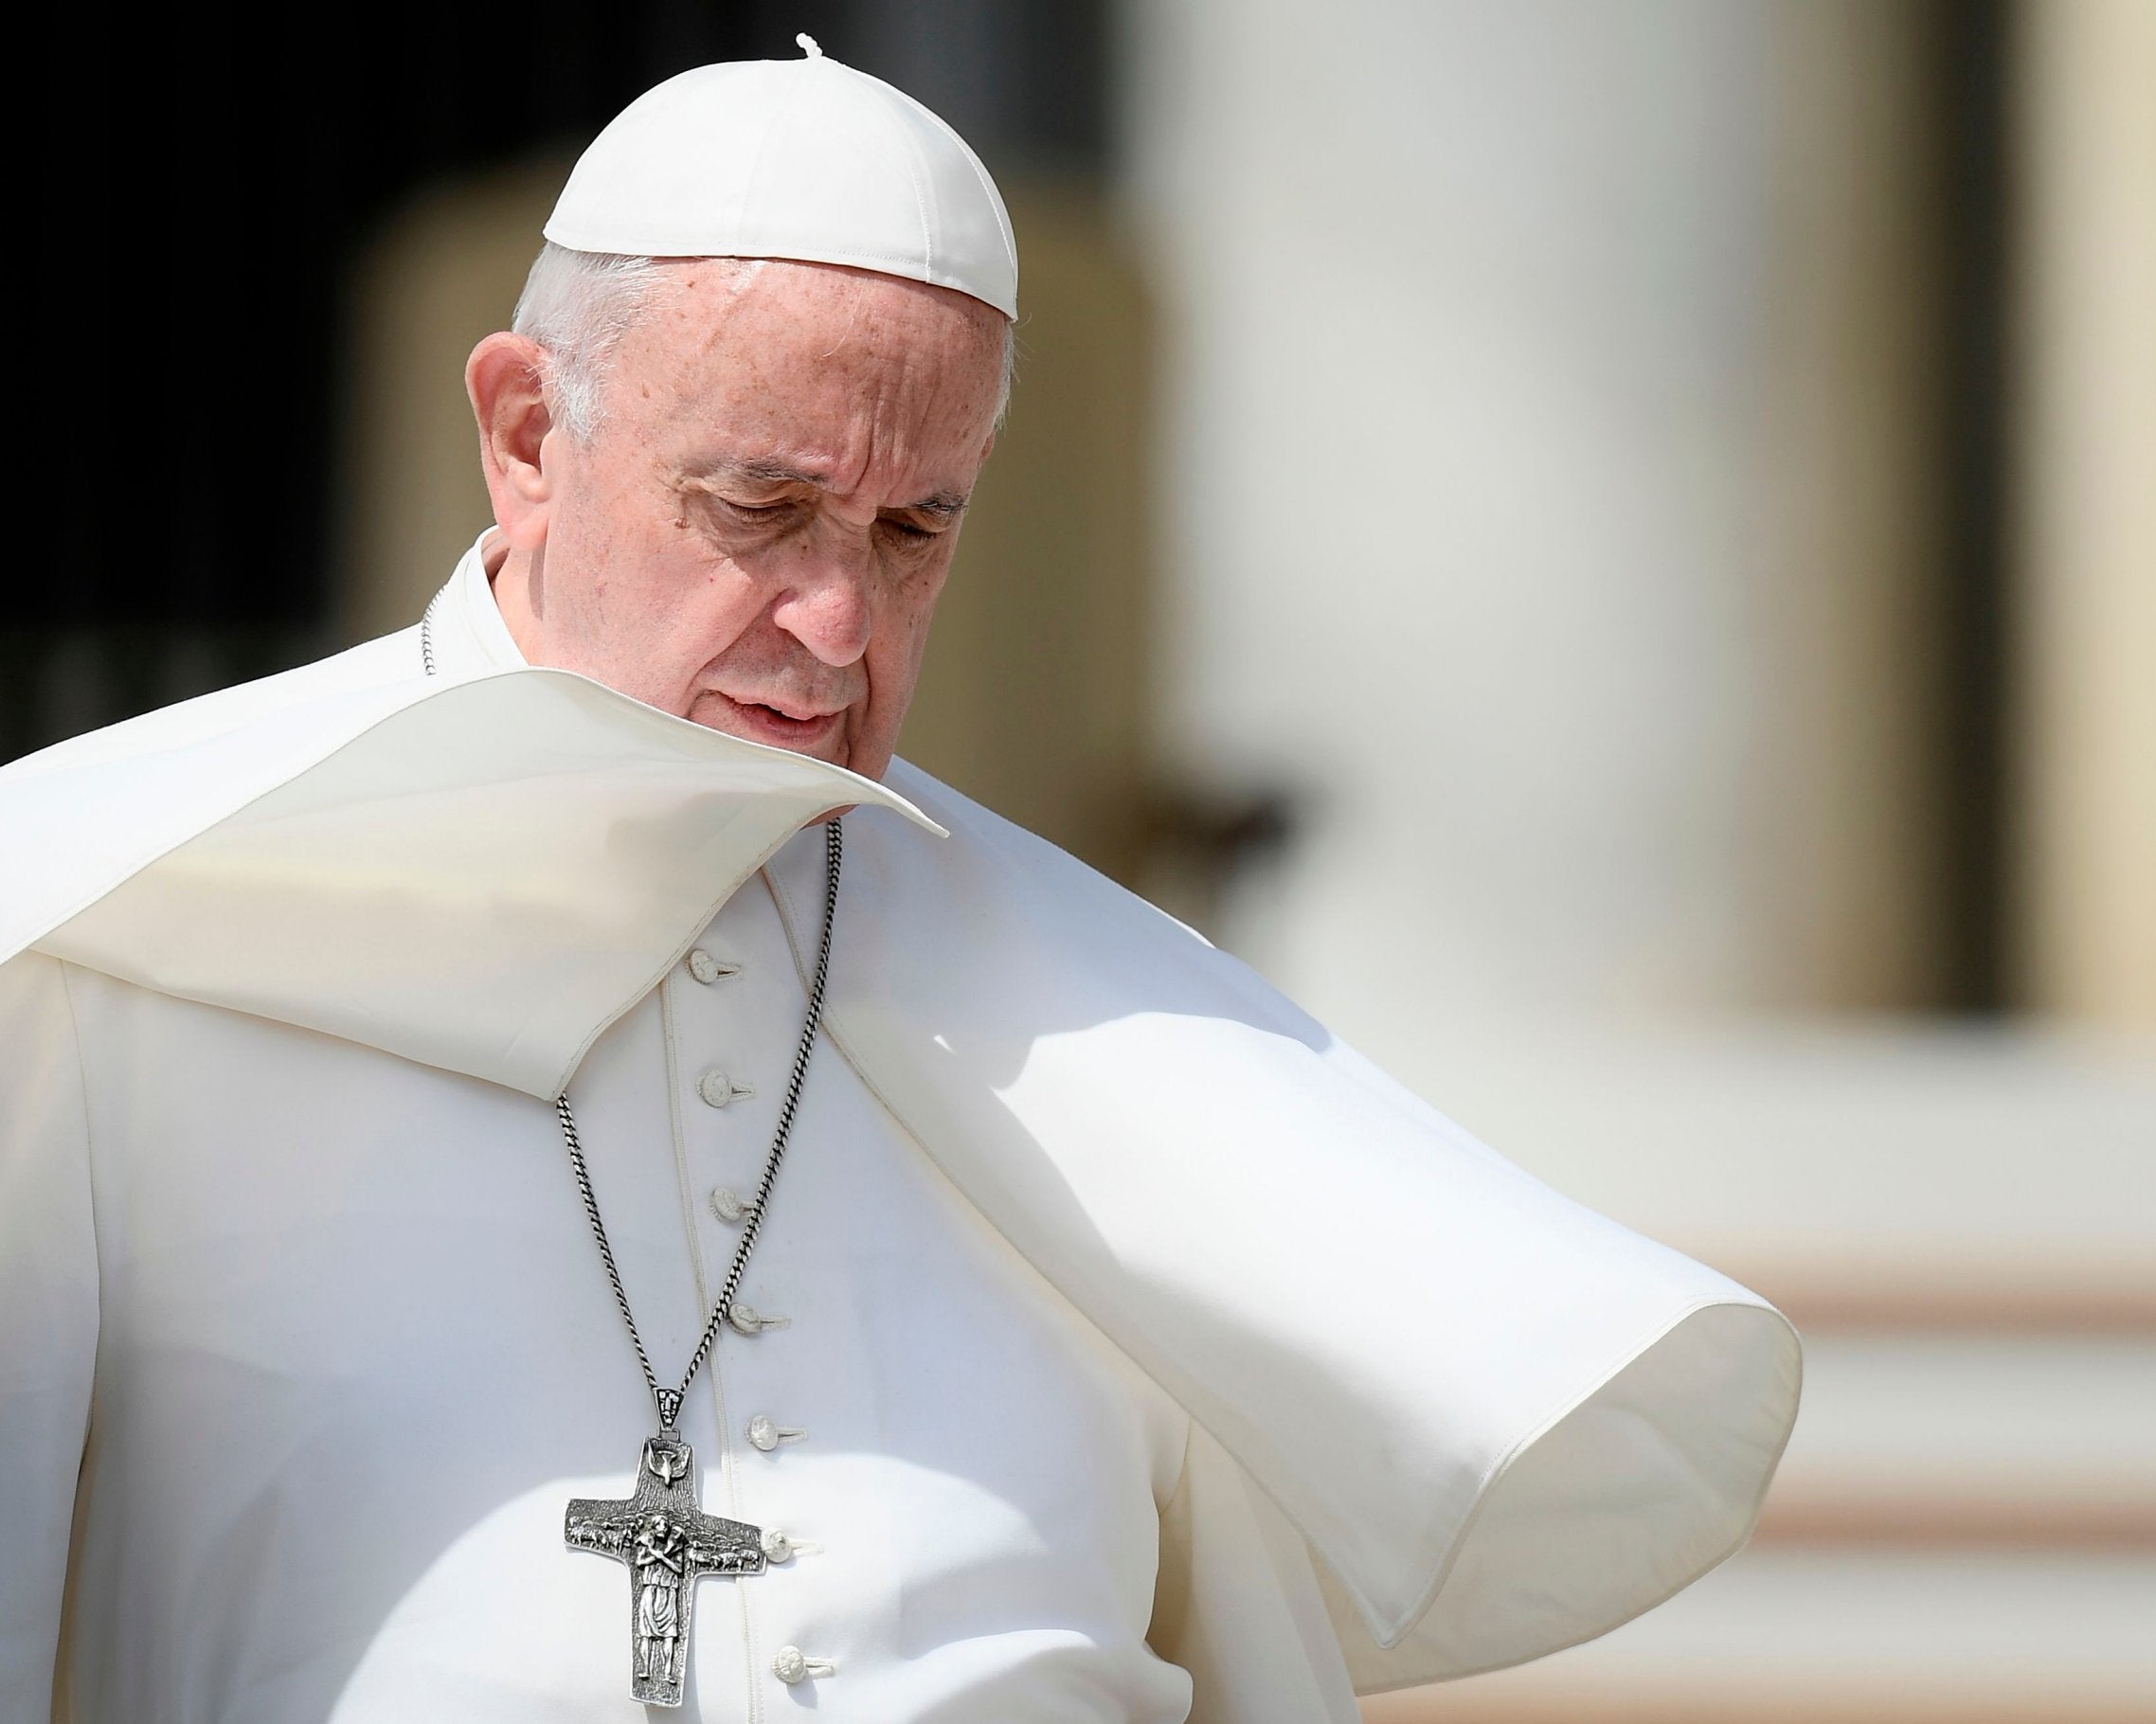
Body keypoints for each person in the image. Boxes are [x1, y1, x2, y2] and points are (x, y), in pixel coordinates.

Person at [0, 41, 1800, 1724]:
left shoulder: (1100, 1031)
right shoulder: (100, 922)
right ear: (531, 437)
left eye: (913, 526)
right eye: (761, 507)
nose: (837, 623)